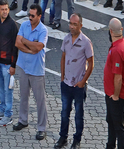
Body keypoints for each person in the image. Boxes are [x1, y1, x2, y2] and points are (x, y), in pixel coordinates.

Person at [55, 14, 94, 149]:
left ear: (80, 26)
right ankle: (63, 137)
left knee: (79, 114)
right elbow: (63, 57)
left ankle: (76, 140)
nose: (71, 26)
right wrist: (62, 77)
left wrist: (83, 81)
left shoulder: (86, 42)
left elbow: (91, 63)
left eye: (74, 24)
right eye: (70, 23)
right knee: (64, 112)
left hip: (79, 86)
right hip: (66, 84)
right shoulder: (66, 39)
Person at [13, 3, 49, 141]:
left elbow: (39, 47)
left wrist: (25, 42)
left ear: (39, 16)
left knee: (40, 100)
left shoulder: (43, 30)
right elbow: (17, 43)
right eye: (29, 14)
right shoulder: (24, 25)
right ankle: (23, 120)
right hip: (23, 66)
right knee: (23, 96)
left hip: (36, 70)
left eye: (32, 16)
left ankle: (41, 128)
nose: (30, 17)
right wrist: (30, 48)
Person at [104, 18, 124, 149]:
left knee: (118, 126)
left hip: (116, 96)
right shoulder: (122, 44)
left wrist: (115, 95)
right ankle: (110, 145)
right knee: (111, 121)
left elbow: (118, 77)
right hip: (113, 94)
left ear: (110, 31)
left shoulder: (117, 50)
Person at [0, 0, 18, 127]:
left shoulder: (12, 25)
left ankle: (8, 115)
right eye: (2, 9)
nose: (5, 11)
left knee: (8, 90)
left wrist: (13, 65)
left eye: (6, 9)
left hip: (8, 64)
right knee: (1, 88)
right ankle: (2, 110)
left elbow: (15, 46)